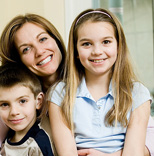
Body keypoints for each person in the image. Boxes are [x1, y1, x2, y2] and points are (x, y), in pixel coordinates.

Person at [0, 13, 154, 156]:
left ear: (57, 41)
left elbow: (148, 136)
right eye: (26, 49)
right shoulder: (18, 102)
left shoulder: (114, 84)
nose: (39, 51)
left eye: (43, 39)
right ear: (18, 61)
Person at [48, 8, 152, 156]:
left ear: (118, 46)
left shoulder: (137, 92)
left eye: (106, 42)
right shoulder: (60, 93)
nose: (97, 51)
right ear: (76, 51)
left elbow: (134, 152)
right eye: (86, 44)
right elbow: (67, 153)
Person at [0, 63, 54, 156]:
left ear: (38, 101)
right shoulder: (5, 138)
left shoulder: (37, 144)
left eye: (22, 101)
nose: (14, 112)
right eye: (5, 104)